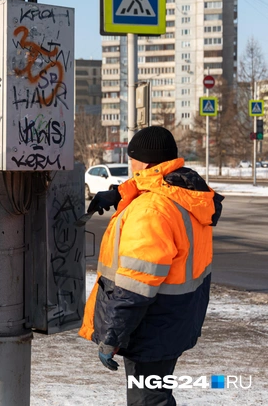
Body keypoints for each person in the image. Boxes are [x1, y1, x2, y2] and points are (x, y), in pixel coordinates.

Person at [79, 126, 224, 406]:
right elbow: (155, 187)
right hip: (175, 319)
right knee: (156, 395)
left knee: (148, 400)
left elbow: (136, 285)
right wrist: (119, 194)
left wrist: (112, 336)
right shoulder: (186, 191)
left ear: (144, 162)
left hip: (150, 326)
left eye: (132, 158)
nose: (130, 164)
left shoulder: (150, 211)